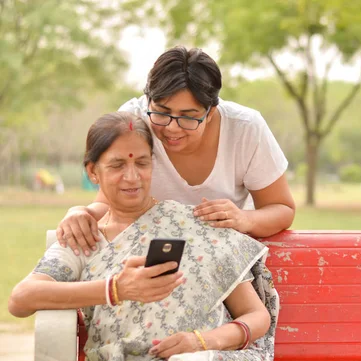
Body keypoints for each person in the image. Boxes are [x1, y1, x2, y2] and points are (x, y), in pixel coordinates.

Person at [9, 112, 279, 361]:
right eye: (117, 165)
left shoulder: (196, 225)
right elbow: (21, 299)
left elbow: (256, 315)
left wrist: (202, 341)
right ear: (92, 172)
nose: (132, 176)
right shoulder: (85, 237)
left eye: (142, 163)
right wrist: (115, 289)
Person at [58, 46, 295, 257]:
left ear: (210, 112)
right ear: (148, 100)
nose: (172, 128)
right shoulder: (132, 123)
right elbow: (109, 204)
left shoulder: (245, 129)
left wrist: (244, 218)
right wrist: (81, 212)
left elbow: (282, 209)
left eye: (188, 117)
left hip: (220, 255)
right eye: (161, 112)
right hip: (149, 256)